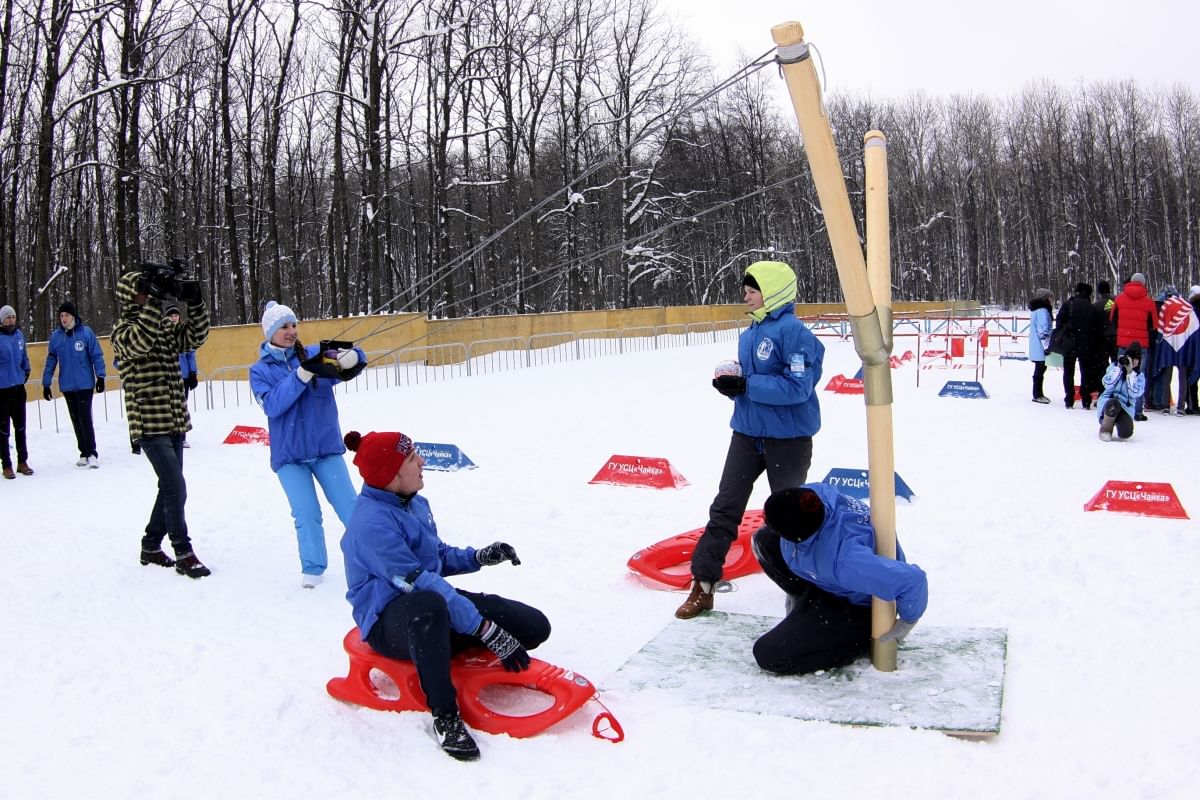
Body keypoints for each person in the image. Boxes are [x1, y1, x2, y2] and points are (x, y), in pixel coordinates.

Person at [339, 428, 550, 761]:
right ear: (392, 475)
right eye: (411, 458)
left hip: (433, 604)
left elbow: (435, 557)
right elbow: (420, 582)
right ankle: (445, 714)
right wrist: (484, 630)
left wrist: (477, 556)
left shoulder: (414, 503)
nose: (421, 461)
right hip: (389, 621)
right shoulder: (370, 526)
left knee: (535, 626)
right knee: (430, 606)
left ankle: (441, 648)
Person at [676, 260, 824, 619]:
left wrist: (747, 385)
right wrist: (732, 387)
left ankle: (806, 590)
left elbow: (798, 388)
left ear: (773, 292)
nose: (746, 296)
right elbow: (752, 386)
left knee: (790, 518)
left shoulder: (797, 335)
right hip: (746, 435)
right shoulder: (750, 334)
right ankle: (703, 585)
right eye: (746, 290)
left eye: (753, 290)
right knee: (725, 508)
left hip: (787, 440)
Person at [750, 484, 928, 675]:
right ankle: (804, 599)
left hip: (852, 607)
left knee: (769, 655)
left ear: (798, 538)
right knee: (765, 539)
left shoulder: (848, 561)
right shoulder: (814, 496)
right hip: (829, 578)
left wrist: (906, 623)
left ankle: (859, 644)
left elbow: (912, 581)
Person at [249, 300, 366, 588]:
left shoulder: (313, 353)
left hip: (325, 449)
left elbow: (350, 356)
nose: (291, 331)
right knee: (307, 514)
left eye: (293, 325)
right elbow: (273, 405)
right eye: (283, 327)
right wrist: (300, 375)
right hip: (290, 458)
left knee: (351, 507)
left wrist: (353, 358)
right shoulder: (259, 371)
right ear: (270, 332)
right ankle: (313, 568)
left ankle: (374, 557)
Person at [111, 268, 211, 578]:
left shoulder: (163, 327)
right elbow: (142, 340)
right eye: (143, 291)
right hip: (149, 422)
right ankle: (183, 551)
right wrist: (155, 300)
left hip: (174, 419)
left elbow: (194, 337)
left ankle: (151, 545)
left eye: (148, 291)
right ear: (130, 297)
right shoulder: (122, 331)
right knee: (174, 486)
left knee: (168, 487)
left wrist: (195, 304)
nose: (147, 296)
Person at [41, 301, 106, 468]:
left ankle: (92, 452)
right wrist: (46, 383)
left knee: (85, 418)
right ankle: (83, 452)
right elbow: (51, 360)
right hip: (67, 385)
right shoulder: (56, 337)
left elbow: (96, 355)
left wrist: (100, 376)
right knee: (76, 419)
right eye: (61, 315)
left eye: (67, 315)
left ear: (73, 316)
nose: (63, 318)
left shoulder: (85, 333)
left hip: (84, 384)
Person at [1109, 273, 1157, 420]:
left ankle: (1116, 408)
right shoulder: (1149, 302)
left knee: (1119, 375)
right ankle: (1137, 411)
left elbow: (1113, 319)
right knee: (1138, 377)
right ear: (1143, 283)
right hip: (1141, 345)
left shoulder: (1119, 299)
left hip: (1123, 343)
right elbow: (1153, 325)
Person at [1052, 283, 1105, 409]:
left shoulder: (1068, 305)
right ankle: (1086, 399)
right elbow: (1096, 328)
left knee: (1068, 372)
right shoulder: (1092, 308)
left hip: (1069, 343)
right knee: (1085, 371)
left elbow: (1059, 322)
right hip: (1086, 344)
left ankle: (1069, 399)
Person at [0, 303, 33, 479]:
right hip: (2, 390)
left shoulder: (19, 336)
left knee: (20, 427)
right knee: (3, 430)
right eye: (7, 317)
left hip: (18, 389)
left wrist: (25, 373)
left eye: (12, 317)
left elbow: (24, 359)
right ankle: (6, 464)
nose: (11, 320)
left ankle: (23, 462)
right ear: (2, 320)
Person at [1097, 342, 1146, 442]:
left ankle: (1119, 423)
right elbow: (1107, 383)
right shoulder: (1114, 367)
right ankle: (1105, 429)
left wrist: (1130, 374)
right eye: (1130, 358)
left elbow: (1135, 393)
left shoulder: (1139, 376)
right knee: (1113, 404)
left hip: (1126, 408)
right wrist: (1118, 368)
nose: (1132, 361)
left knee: (1125, 433)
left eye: (1136, 359)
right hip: (1108, 402)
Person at [168, 304, 199, 448]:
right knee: (169, 407)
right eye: (171, 316)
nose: (174, 318)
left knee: (182, 405)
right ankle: (170, 435)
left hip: (184, 375)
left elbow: (191, 354)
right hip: (169, 375)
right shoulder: (164, 333)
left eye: (176, 315)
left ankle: (182, 436)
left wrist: (193, 373)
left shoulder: (184, 332)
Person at [1027, 287, 1053, 404]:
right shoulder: (1043, 311)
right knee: (1040, 369)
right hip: (1041, 346)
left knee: (1040, 369)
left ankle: (1038, 393)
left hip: (1036, 345)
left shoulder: (1036, 311)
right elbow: (1043, 330)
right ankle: (1037, 394)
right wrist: (1047, 346)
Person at [1092, 279, 1118, 364]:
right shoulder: (1117, 301)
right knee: (1116, 362)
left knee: (1103, 362)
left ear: (1099, 291)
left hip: (1103, 338)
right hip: (1117, 335)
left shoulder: (1096, 306)